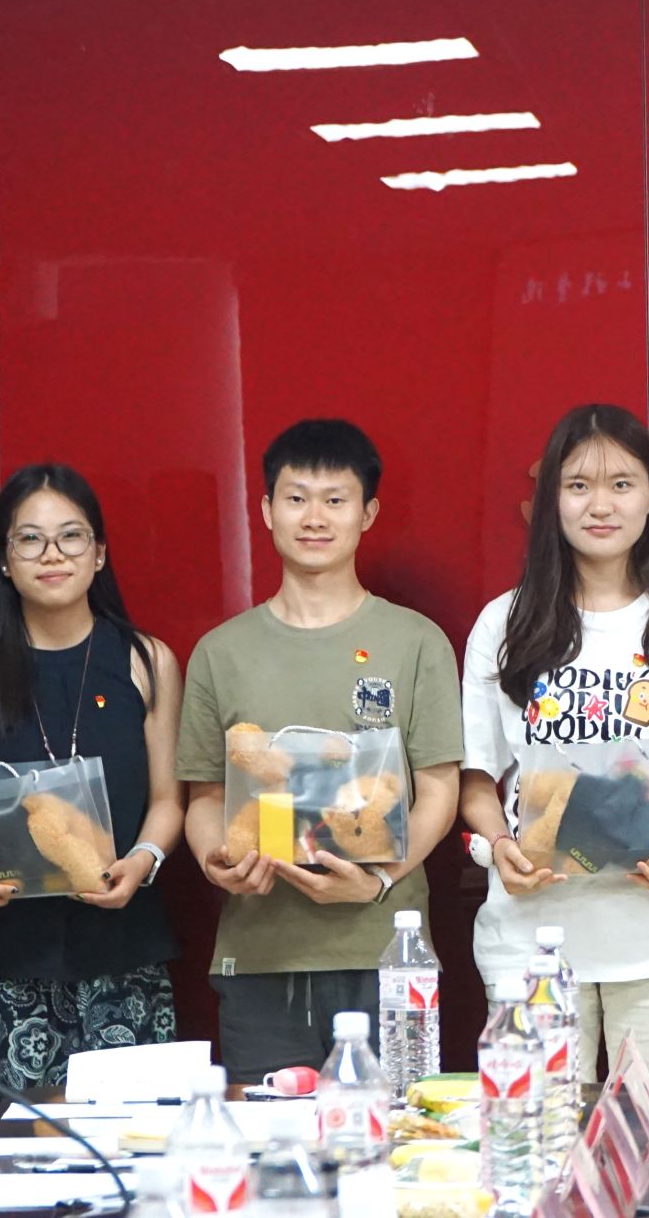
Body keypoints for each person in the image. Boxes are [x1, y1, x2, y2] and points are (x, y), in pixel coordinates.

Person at [460, 404, 649, 1082]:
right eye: (578, 485)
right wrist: (500, 847)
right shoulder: (504, 625)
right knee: (535, 1138)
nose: (600, 505)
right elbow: (476, 779)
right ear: (551, 500)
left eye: (621, 484)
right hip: (531, 949)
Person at [177, 420, 463, 1082]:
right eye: (297, 498)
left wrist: (379, 880)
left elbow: (439, 790)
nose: (315, 517)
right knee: (269, 1142)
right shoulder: (221, 652)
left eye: (336, 499)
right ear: (266, 510)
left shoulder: (415, 641)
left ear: (368, 513)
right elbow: (205, 797)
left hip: (387, 954)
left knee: (398, 1139)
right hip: (260, 957)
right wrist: (219, 862)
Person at [0, 465, 182, 1135]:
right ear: (4, 559)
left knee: (127, 1160)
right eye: (30, 539)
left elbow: (170, 799)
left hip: (116, 954)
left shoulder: (147, 661)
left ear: (99, 553)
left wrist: (142, 861)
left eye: (71, 536)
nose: (52, 554)